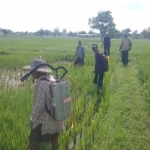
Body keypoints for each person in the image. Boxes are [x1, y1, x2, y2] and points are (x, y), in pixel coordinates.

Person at [23, 56, 65, 150]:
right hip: (58, 119)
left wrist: (32, 120)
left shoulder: (41, 83)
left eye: (32, 71)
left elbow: (38, 106)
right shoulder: (52, 79)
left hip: (46, 121)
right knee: (54, 141)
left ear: (39, 72)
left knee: (33, 141)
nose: (31, 73)